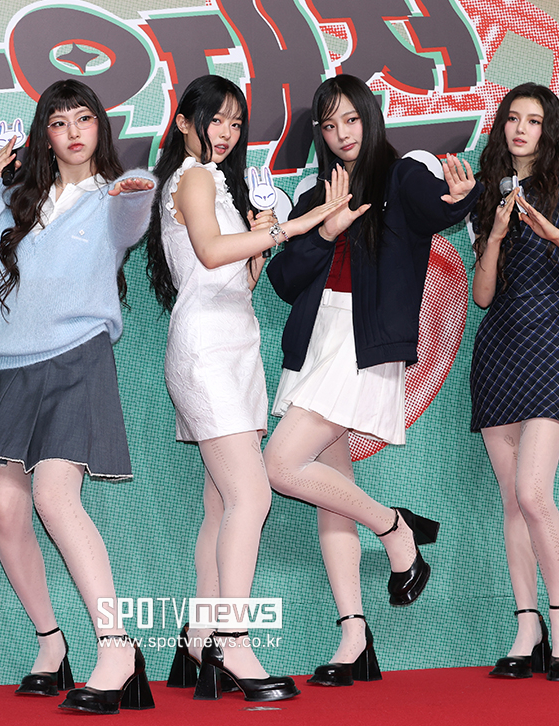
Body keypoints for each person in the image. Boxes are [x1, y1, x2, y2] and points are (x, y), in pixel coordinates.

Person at [0, 79, 156, 715]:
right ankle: (50, 643)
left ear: (99, 127)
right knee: (5, 510)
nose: (72, 132)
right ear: (44, 136)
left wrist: (136, 188)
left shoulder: (113, 196)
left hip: (76, 357)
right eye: (58, 123)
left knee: (55, 498)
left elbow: (131, 219)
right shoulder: (17, 200)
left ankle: (116, 649)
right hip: (6, 365)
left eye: (82, 119)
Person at [262, 74, 480, 686]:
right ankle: (354, 636)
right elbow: (283, 281)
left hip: (363, 345)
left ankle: (394, 527)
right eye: (329, 125)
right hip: (316, 343)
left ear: (369, 117)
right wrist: (324, 231)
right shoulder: (316, 192)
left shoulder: (401, 174)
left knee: (280, 466)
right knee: (330, 492)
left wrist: (460, 199)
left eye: (350, 120)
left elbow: (439, 208)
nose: (341, 134)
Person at [145, 74, 347, 702]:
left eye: (237, 123)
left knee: (223, 506)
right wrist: (296, 225)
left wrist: (262, 243)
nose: (228, 133)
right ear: (185, 123)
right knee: (252, 497)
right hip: (206, 350)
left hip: (235, 346)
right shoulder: (193, 178)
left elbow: (238, 278)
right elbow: (209, 254)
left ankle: (200, 637)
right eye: (217, 120)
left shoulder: (216, 183)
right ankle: (233, 642)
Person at [470, 83, 559, 683]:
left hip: (549, 347)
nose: (521, 128)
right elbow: (482, 296)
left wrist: (553, 234)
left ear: (548, 129)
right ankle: (528, 629)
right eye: (512, 118)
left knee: (532, 493)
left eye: (533, 120)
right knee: (511, 500)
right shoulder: (488, 193)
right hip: (497, 352)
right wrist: (497, 235)